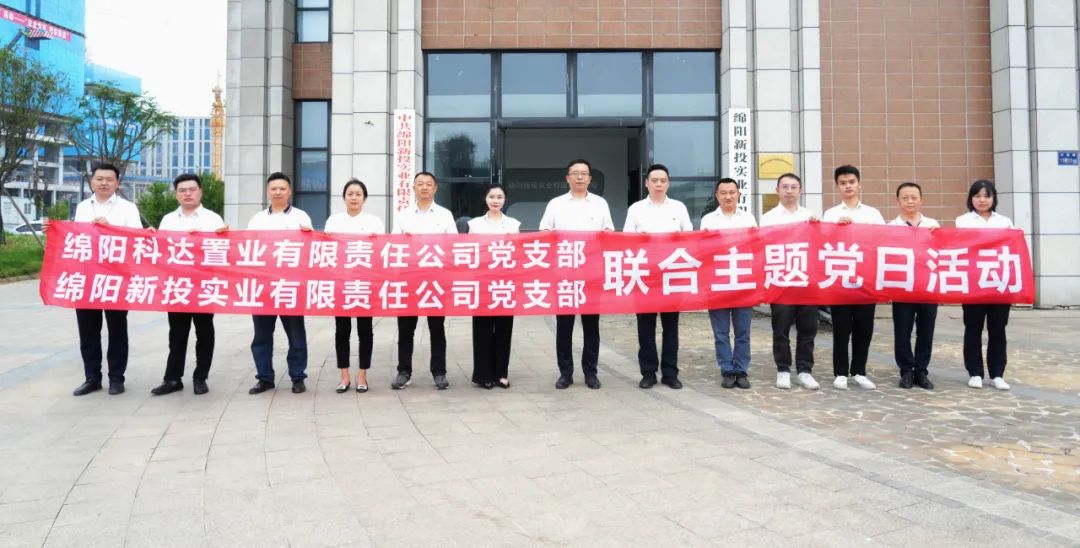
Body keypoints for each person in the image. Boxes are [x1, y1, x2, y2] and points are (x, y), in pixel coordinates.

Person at [65, 163, 144, 396]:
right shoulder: (82, 207)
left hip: (116, 277)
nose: (104, 183)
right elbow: (76, 238)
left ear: (117, 183)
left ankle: (117, 378)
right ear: (92, 181)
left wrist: (111, 229)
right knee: (88, 330)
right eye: (99, 179)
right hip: (87, 277)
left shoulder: (128, 208)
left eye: (109, 179)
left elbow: (137, 238)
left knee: (117, 328)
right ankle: (92, 378)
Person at [539, 158, 614, 390]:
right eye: (575, 173)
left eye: (584, 173)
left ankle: (591, 372)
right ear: (567, 178)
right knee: (564, 326)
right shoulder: (556, 204)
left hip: (592, 273)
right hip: (565, 273)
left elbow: (609, 232)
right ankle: (565, 373)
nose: (580, 177)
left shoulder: (600, 204)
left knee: (591, 325)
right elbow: (544, 231)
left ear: (590, 178)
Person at [152, 173, 228, 396]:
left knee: (204, 333)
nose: (187, 194)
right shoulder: (168, 220)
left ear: (200, 192)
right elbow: (161, 251)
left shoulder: (213, 219)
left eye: (192, 189)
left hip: (204, 284)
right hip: (176, 284)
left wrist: (205, 239)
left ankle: (200, 377)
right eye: (182, 190)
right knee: (177, 334)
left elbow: (223, 251)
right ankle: (172, 378)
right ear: (176, 194)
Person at [623, 164, 693, 390]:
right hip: (644, 275)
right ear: (647, 183)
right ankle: (648, 372)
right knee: (646, 327)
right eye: (654, 180)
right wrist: (639, 239)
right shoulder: (636, 209)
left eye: (663, 180)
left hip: (672, 275)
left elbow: (690, 237)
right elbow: (625, 240)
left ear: (668, 183)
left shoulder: (679, 208)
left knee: (671, 327)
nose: (659, 184)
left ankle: (670, 373)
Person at [246, 172, 313, 395]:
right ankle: (264, 378)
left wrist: (309, 236)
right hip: (263, 287)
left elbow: (311, 250)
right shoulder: (257, 220)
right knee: (261, 336)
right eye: (273, 189)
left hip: (291, 287)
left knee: (296, 335)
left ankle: (297, 377)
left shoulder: (301, 217)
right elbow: (246, 249)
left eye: (282, 188)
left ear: (289, 191)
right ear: (267, 191)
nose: (277, 192)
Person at [392, 171, 458, 390]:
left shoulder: (445, 215)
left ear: (435, 188)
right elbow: (394, 244)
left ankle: (439, 372)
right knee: (405, 329)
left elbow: (453, 245)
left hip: (436, 279)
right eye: (420, 183)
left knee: (436, 328)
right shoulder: (404, 215)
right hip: (409, 277)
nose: (424, 187)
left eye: (429, 184)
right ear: (413, 188)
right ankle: (404, 371)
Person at [822, 164, 885, 390]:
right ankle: (840, 372)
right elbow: (823, 243)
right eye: (843, 183)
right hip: (840, 279)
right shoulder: (831, 214)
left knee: (864, 328)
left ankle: (859, 371)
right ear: (837, 186)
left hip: (865, 279)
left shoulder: (872, 213)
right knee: (841, 328)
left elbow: (884, 240)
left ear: (859, 184)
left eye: (851, 182)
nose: (848, 186)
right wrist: (836, 229)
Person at [760, 172, 821, 390]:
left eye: (793, 187)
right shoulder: (768, 218)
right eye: (784, 187)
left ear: (800, 190)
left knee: (808, 329)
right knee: (781, 329)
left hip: (806, 281)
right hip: (781, 282)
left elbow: (818, 246)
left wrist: (817, 227)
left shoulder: (810, 216)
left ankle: (804, 370)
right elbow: (763, 248)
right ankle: (783, 369)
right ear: (777, 190)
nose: (789, 191)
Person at [324, 179, 385, 393]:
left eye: (358, 194)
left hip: (365, 284)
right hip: (341, 284)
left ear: (364, 198)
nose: (354, 198)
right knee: (342, 330)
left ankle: (362, 375)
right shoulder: (333, 221)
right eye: (350, 194)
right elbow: (326, 251)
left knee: (365, 330)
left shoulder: (374, 222)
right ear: (344, 197)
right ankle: (344, 376)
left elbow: (382, 251)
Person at [956, 180, 1014, 390]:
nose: (982, 200)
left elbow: (1013, 248)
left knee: (998, 329)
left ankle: (997, 374)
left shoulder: (1005, 222)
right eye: (977, 196)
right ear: (971, 198)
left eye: (986, 196)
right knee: (973, 328)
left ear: (993, 198)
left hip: (999, 283)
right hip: (974, 283)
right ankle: (975, 373)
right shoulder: (962, 221)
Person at [700, 178, 756, 389]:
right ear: (717, 196)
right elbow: (703, 250)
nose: (728, 196)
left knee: (743, 332)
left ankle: (741, 370)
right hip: (718, 283)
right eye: (723, 193)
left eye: (732, 192)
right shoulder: (708, 220)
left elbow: (755, 247)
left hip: (743, 282)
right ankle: (727, 370)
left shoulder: (748, 218)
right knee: (721, 332)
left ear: (738, 194)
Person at [467, 184, 521, 389]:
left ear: (505, 200)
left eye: (499, 197)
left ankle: (501, 373)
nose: (495, 200)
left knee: (504, 328)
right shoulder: (475, 224)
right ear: (485, 199)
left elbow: (517, 254)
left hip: (505, 283)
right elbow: (470, 252)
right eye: (492, 196)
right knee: (482, 328)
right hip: (482, 282)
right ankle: (484, 375)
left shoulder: (513, 224)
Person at [889, 182, 939, 390]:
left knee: (926, 330)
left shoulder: (932, 224)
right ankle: (906, 371)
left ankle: (921, 371)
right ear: (898, 201)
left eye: (914, 197)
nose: (910, 201)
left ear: (921, 200)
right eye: (905, 198)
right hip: (902, 287)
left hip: (928, 286)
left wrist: (939, 235)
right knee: (902, 331)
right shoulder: (891, 227)